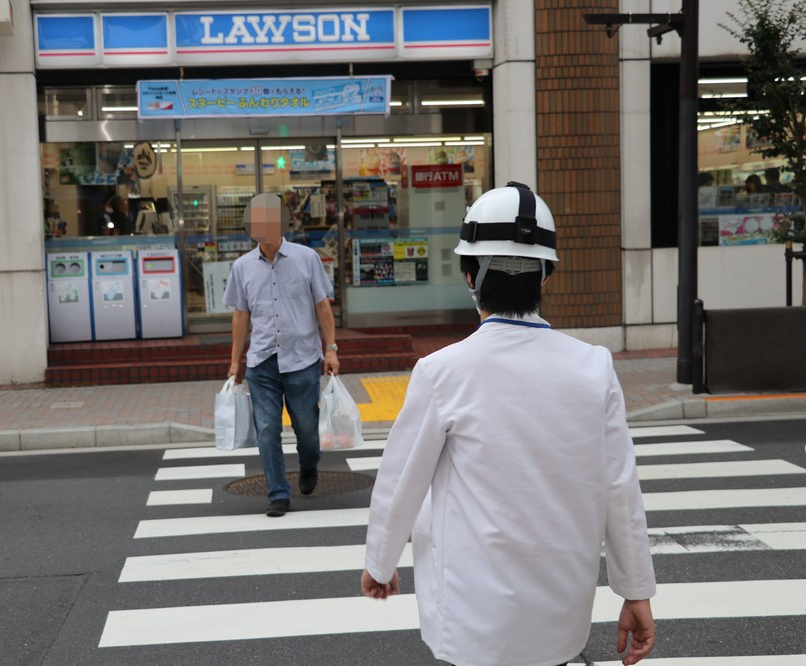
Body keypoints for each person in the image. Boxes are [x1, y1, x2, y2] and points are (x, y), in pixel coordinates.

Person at [361, 182, 656, 666]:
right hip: (560, 620)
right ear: (544, 277)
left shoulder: (442, 372)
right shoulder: (593, 367)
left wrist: (380, 562)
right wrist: (636, 591)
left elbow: (401, 481)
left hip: (472, 618)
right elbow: (620, 490)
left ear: (470, 276)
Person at [223, 192, 339, 517]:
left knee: (306, 428)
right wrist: (236, 360)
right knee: (267, 429)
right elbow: (240, 315)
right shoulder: (242, 266)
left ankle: (308, 464)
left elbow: (322, 307)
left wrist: (331, 349)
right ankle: (277, 493)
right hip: (261, 362)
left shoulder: (306, 259)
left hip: (302, 359)